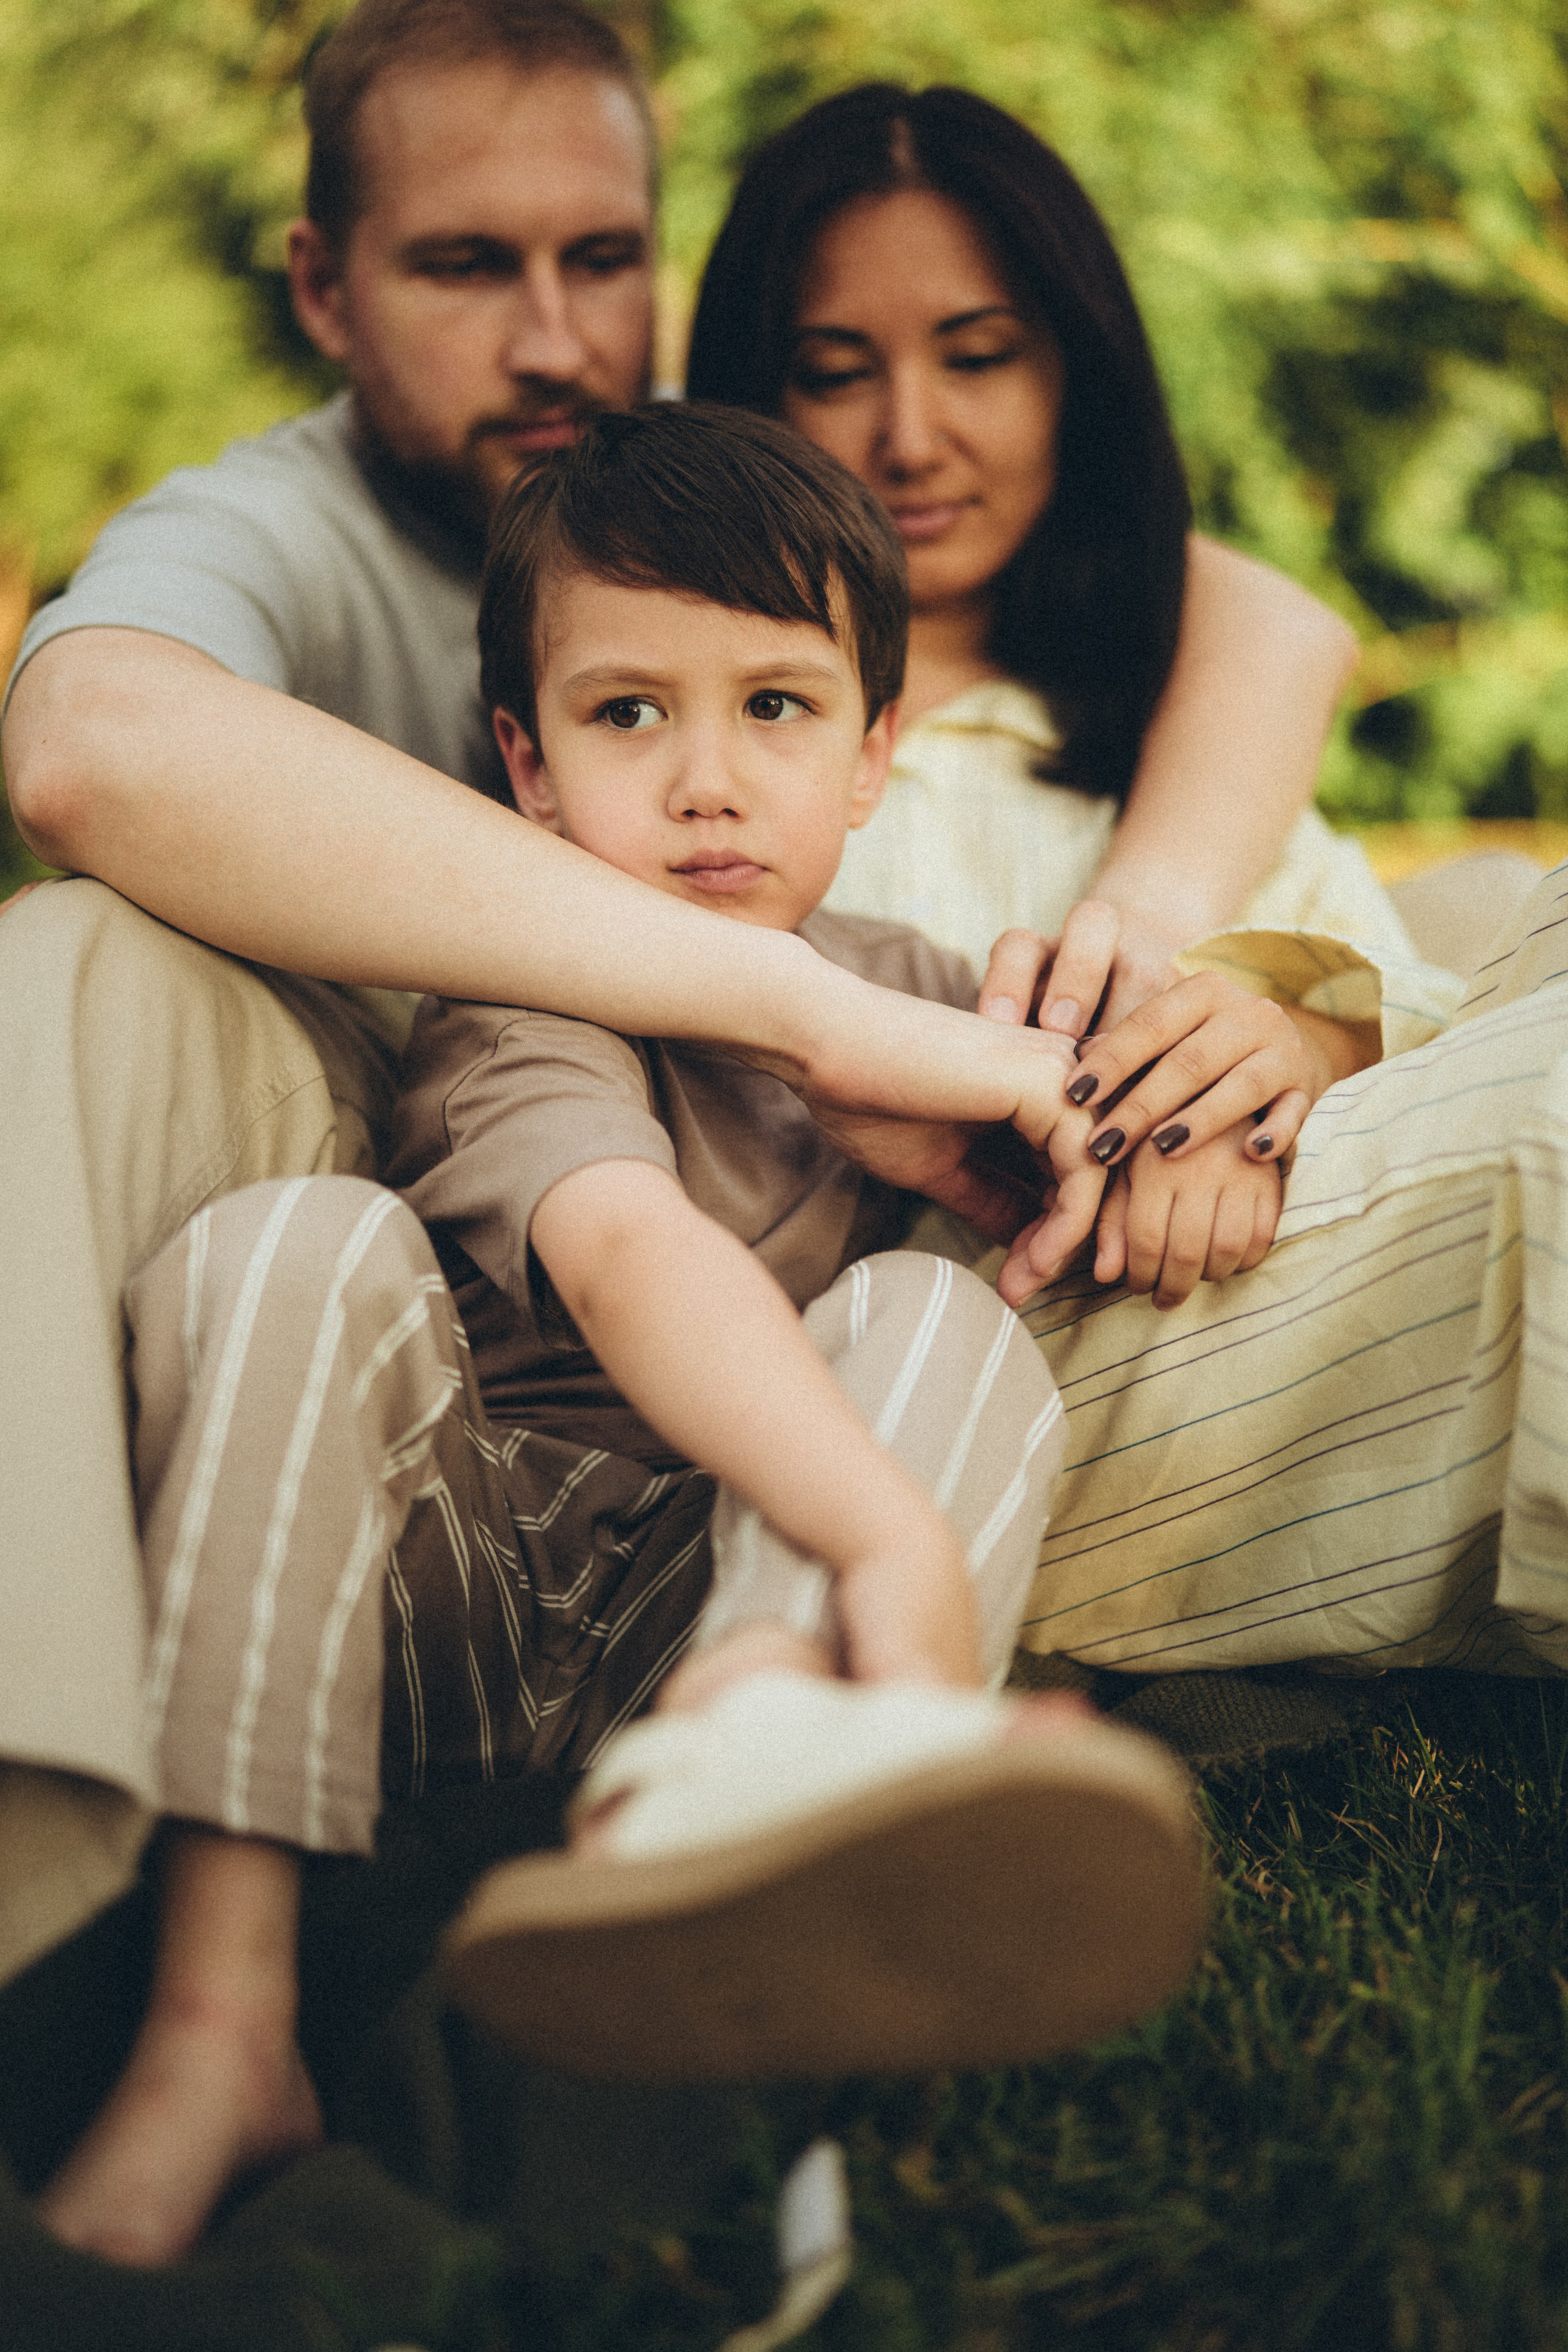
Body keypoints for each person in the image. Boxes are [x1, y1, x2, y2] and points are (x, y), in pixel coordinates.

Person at [0, 2, 1382, 1994]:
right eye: (468, 264)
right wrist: (807, 1018)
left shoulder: (746, 547)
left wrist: (1250, 1054)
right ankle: (130, 1909)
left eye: (605, 259)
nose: (557, 341)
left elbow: (1240, 614)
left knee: (929, 1300)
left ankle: (789, 1724)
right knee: (183, 1119)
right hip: (437, 1389)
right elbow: (85, 754)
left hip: (686, 1546)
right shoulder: (284, 535)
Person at [36, 404, 1248, 2267]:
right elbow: (619, 1251)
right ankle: (222, 2023)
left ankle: (772, 1742)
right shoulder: (526, 992)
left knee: (940, 1307)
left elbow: (1107, 1174)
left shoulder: (934, 1001)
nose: (705, 780)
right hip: (441, 1612)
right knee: (288, 1244)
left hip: (701, 1621)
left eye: (775, 706)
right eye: (628, 715)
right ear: (524, 766)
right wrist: (886, 1536)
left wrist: (1224, 1127)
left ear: (875, 753)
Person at [683, 81, 1460, 1015]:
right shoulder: (680, 759)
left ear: (1075, 379)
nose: (913, 441)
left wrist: (1313, 1047)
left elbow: (1416, 1038)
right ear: (754, 397)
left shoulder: (1187, 751)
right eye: (837, 374)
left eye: (977, 359)